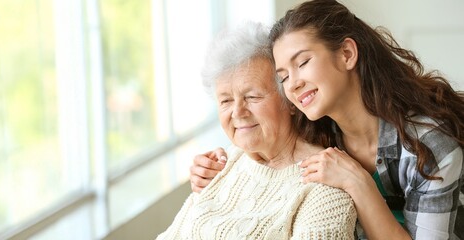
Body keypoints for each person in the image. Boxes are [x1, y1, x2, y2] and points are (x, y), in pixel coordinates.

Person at [189, 0, 464, 239]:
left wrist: (358, 183)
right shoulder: (314, 127)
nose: (293, 84)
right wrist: (218, 166)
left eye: (303, 62)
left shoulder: (429, 147)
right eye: (283, 76)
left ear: (346, 54)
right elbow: (262, 143)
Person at [157, 21, 357, 240]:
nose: (237, 112)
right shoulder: (222, 164)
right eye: (225, 101)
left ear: (290, 101)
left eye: (252, 97)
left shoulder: (324, 185)